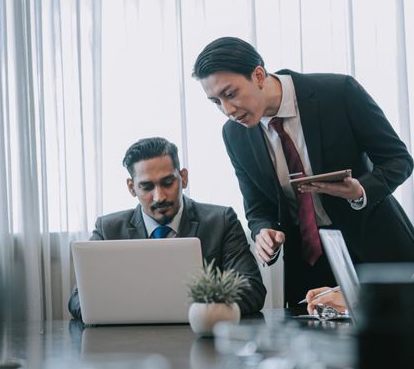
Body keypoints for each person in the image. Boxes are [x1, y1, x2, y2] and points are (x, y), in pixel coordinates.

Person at [192, 36, 414, 306]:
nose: (227, 110)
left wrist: (360, 191)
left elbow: (398, 160)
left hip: (374, 250)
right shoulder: (234, 134)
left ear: (258, 75)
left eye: (230, 94)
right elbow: (257, 207)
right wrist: (263, 232)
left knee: (379, 333)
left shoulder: (339, 93)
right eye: (216, 102)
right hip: (307, 265)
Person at [68, 137, 266, 319]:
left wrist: (189, 308)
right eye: (147, 187)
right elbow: (78, 300)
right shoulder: (108, 230)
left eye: (168, 183)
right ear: (131, 187)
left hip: (202, 336)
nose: (159, 197)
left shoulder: (221, 221)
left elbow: (252, 290)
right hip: (131, 340)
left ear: (183, 178)